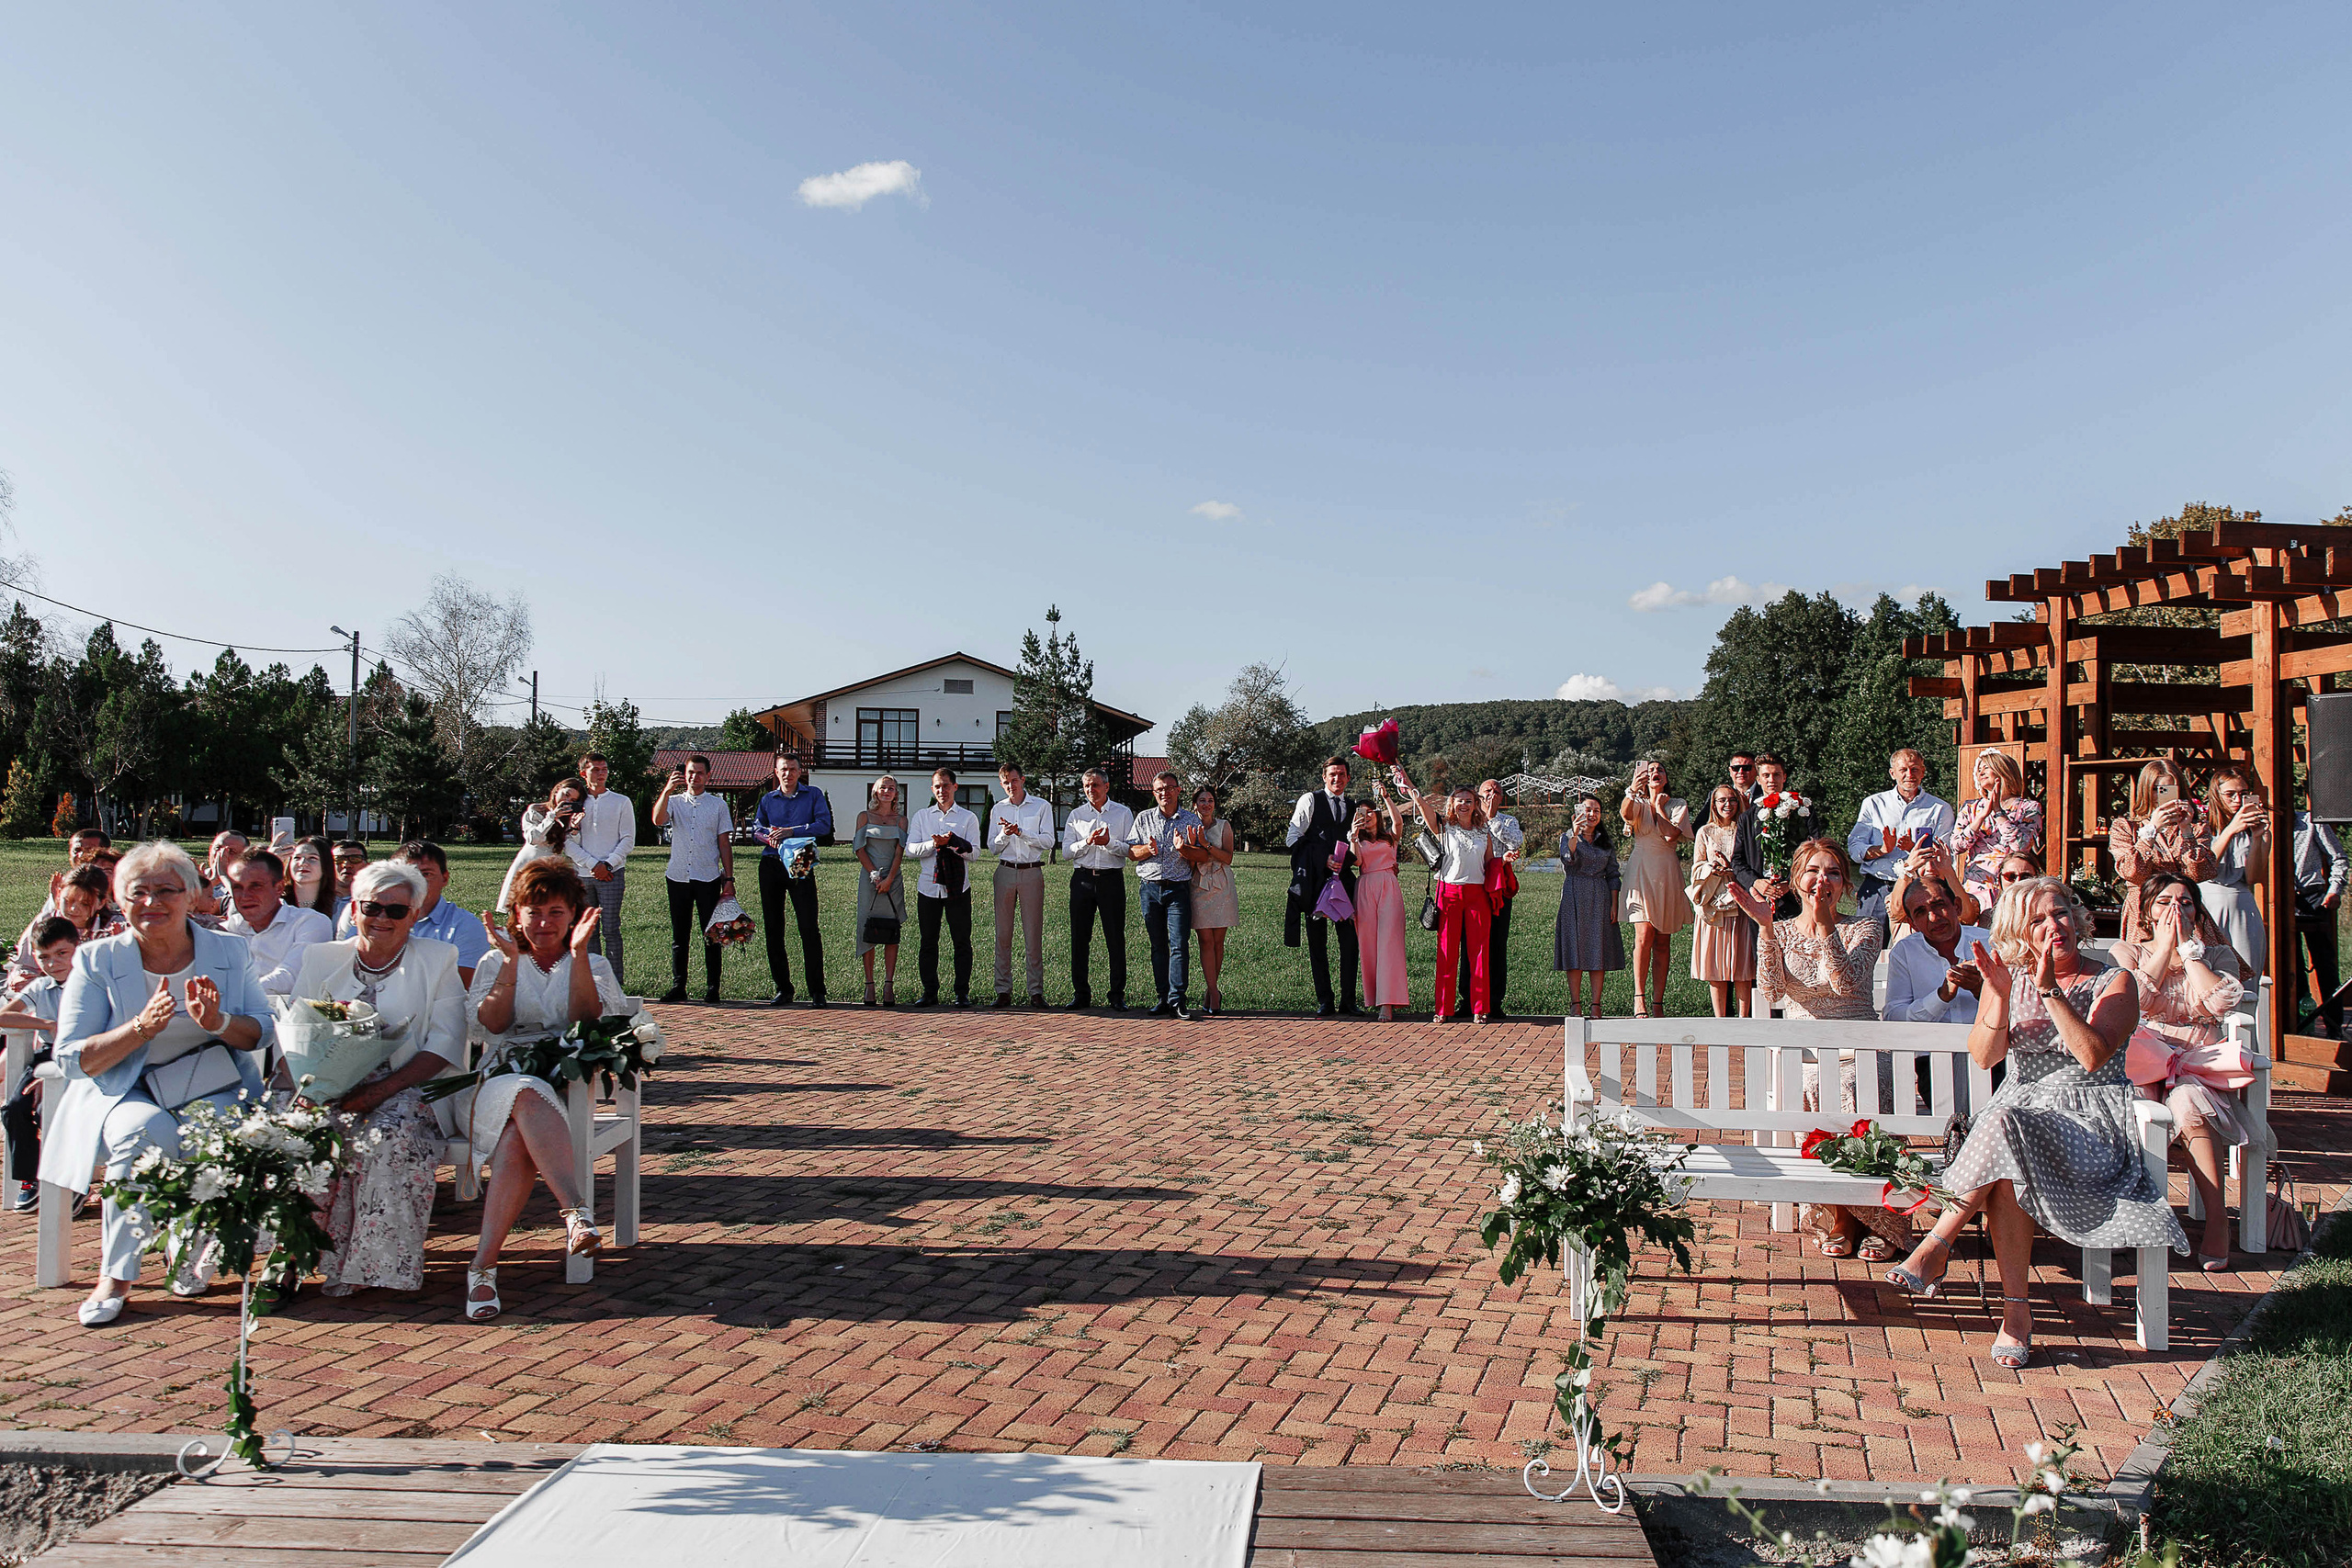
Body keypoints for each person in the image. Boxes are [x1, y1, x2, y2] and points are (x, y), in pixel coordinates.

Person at [1884, 876, 2183, 1371]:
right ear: (2020, 933)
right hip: (2017, 1125)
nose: (2052, 927)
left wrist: (2049, 992)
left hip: (2089, 1123)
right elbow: (1984, 1056)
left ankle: (1936, 1246)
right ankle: (2016, 1316)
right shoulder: (2011, 979)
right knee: (2004, 1162)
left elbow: (2092, 1055)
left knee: (2002, 1122)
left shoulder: (2114, 981)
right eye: (2037, 921)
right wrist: (2000, 996)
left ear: (2077, 917)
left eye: (2059, 913)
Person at [43, 842, 273, 1326]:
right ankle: (117, 1277)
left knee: (214, 1131)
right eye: (138, 892)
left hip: (211, 1082)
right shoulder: (96, 959)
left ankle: (187, 1247)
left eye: (166, 890)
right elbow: (71, 1057)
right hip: (126, 1088)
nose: (152, 902)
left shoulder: (229, 950)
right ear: (119, 901)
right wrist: (139, 1028)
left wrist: (218, 1020)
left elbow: (260, 1029)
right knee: (143, 1135)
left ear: (191, 896)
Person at [290, 862, 469, 1297]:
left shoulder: (437, 959)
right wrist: (308, 1090)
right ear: (354, 909)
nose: (383, 919)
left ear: (414, 915)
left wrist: (379, 1092)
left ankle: (371, 1268)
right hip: (328, 1086)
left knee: (389, 1135)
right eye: (372, 907)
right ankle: (294, 1258)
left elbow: (445, 1043)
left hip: (408, 1087)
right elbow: (296, 1032)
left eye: (397, 910)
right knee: (300, 1133)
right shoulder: (321, 958)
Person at [460, 858, 627, 1322]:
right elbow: (490, 1026)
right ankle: (575, 1211)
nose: (544, 922)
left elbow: (587, 1021)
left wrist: (576, 957)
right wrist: (512, 963)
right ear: (516, 915)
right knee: (526, 1092)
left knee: (518, 1142)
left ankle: (483, 1268)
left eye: (556, 911)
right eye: (533, 911)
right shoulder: (497, 960)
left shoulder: (591, 962)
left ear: (574, 914)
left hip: (567, 1089)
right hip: (496, 1082)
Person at [1729, 838, 1900, 1261]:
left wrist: (1826, 927)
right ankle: (1844, 1216)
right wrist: (1766, 929)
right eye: (1813, 870)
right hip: (1806, 1050)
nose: (1822, 879)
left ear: (1844, 884)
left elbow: (1846, 984)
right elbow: (1770, 990)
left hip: (1859, 1045)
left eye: (1833, 872)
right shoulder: (1781, 929)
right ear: (1796, 880)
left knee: (1862, 1084)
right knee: (1818, 1084)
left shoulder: (1864, 927)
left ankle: (1875, 1216)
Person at [2112, 873, 2249, 1269]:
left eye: (2185, 902)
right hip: (2143, 1060)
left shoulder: (2217, 955)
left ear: (2198, 910)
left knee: (2188, 1103)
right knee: (2129, 1106)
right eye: (2165, 902)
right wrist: (2164, 948)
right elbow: (2133, 1001)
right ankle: (2130, 1216)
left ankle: (2217, 1220)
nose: (2176, 909)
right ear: (2147, 913)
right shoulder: (2128, 952)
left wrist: (2189, 954)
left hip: (2198, 1065)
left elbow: (2220, 1003)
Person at [1399, 770, 1496, 1023]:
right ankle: (1443, 1008)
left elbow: (1490, 864)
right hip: (1449, 893)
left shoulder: (1483, 832)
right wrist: (1407, 781)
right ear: (1451, 803)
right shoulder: (1443, 826)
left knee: (1479, 953)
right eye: (1459, 799)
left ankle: (1479, 1008)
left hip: (1477, 894)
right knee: (1446, 951)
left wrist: (1505, 863)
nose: (1463, 804)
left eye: (1469, 800)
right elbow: (1420, 802)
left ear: (1476, 805)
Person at [1, 917, 82, 1212]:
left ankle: (71, 1183)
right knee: (14, 1107)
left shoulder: (90, 982)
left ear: (78, 948)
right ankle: (29, 1179)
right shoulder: (40, 987)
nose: (53, 963)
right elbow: (4, 1015)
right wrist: (45, 1023)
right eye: (44, 957)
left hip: (81, 1058)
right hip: (47, 1056)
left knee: (52, 1111)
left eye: (62, 953)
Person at [650, 755, 736, 1005]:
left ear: (708, 776)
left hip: (707, 876)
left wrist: (728, 877)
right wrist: (667, 790)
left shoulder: (718, 805)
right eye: (690, 772)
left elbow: (724, 843)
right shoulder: (675, 802)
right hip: (677, 876)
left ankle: (713, 988)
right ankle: (679, 986)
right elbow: (657, 819)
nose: (693, 777)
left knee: (711, 934)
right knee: (680, 935)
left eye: (699, 773)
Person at [750, 753, 832, 1009]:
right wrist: (768, 836)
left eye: (793, 769)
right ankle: (783, 988)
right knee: (774, 928)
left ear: (800, 771)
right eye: (783, 769)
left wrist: (792, 831)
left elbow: (823, 826)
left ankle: (818, 991)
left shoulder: (813, 795)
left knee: (808, 926)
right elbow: (756, 830)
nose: (788, 774)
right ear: (776, 772)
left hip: (801, 859)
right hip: (772, 862)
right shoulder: (767, 799)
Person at [1849, 749, 1956, 941]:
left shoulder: (1940, 808)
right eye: (1903, 770)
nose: (1909, 775)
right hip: (1878, 887)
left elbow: (1945, 853)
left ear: (1923, 772)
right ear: (1893, 773)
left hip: (1919, 888)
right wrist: (1881, 850)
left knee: (1919, 949)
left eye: (1915, 769)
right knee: (1866, 947)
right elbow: (1855, 847)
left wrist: (1914, 848)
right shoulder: (1874, 803)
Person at [1285, 757, 1361, 1018]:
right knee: (1318, 943)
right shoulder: (1310, 800)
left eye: (1341, 774)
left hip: (1346, 881)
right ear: (1324, 777)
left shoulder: (1353, 806)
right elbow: (1292, 838)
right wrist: (1322, 858)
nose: (1337, 779)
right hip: (1316, 882)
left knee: (1350, 943)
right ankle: (1325, 1001)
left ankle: (1349, 1001)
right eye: (1332, 774)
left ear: (1348, 777)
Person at [1127, 771, 1204, 1020]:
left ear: (1178, 790)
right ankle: (1162, 998)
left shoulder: (1192, 820)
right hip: (1149, 888)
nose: (1165, 793)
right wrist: (1147, 850)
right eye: (1160, 789)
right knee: (1158, 946)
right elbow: (1131, 852)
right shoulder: (1143, 818)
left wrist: (1185, 850)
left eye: (1170, 788)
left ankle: (1178, 999)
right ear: (1154, 793)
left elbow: (1202, 856)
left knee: (1179, 945)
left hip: (1178, 889)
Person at [2108, 758, 2212, 938]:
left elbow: (2200, 874)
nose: (2163, 796)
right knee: (2147, 963)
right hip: (2143, 911)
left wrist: (2186, 830)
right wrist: (2151, 830)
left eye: (2170, 789)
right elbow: (2133, 873)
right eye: (2157, 789)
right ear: (2146, 790)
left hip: (2184, 908)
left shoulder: (2197, 828)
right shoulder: (2126, 827)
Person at [1619, 761, 1690, 1020]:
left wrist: (1659, 807)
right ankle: (1639, 997)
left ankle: (1658, 1001)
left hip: (1666, 872)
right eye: (1649, 771)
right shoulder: (1636, 803)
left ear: (1667, 776)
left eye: (1660, 770)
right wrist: (1631, 790)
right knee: (1643, 934)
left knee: (1662, 939)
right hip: (1641, 871)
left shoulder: (1677, 805)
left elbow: (1671, 836)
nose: (1655, 773)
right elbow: (1626, 814)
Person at [907, 768, 980, 1008]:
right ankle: (929, 991)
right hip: (928, 886)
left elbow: (975, 853)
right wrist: (933, 844)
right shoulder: (922, 816)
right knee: (928, 942)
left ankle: (962, 993)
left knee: (961, 941)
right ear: (932, 789)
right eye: (937, 786)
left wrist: (953, 844)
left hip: (958, 888)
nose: (942, 790)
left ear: (955, 787)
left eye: (946, 785)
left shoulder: (968, 818)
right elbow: (911, 849)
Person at [1062, 769, 1135, 1010]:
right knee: (1080, 938)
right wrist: (1088, 842)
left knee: (1115, 938)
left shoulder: (1122, 813)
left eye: (1094, 785)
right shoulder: (1076, 815)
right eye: (1086, 786)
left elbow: (1130, 849)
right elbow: (1066, 852)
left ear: (1106, 787)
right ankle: (1081, 994)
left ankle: (1117, 994)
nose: (1090, 790)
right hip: (1082, 879)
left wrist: (1109, 843)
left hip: (1111, 880)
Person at [1883, 873, 1990, 1030]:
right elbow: (1894, 1016)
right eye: (1921, 912)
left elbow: (2017, 1006)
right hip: (1927, 1051)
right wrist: (1941, 997)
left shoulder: (1990, 943)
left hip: (1986, 1051)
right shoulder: (1905, 952)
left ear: (1957, 906)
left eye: (1939, 905)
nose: (1933, 917)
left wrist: (1981, 989)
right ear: (1913, 925)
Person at [223, 848, 334, 998]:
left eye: (256, 886)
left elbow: (290, 977)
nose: (245, 896)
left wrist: (234, 994)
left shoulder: (311, 923)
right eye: (237, 887)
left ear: (279, 888)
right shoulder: (229, 929)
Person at [1555, 796, 1627, 1019]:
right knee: (1574, 949)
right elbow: (1568, 859)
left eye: (1597, 810)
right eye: (1588, 810)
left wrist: (1615, 904)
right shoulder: (1567, 836)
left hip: (1600, 895)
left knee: (1599, 949)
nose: (1592, 814)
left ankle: (1596, 1004)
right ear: (1578, 812)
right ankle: (1575, 1002)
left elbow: (1614, 873)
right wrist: (1575, 834)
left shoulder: (1605, 841)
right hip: (1574, 894)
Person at [988, 763, 1053, 1009]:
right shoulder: (998, 808)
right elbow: (992, 847)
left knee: (1032, 934)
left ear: (1022, 780)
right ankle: (1002, 990)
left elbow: (1048, 841)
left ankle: (1036, 991)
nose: (1010, 786)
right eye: (1005, 783)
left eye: (1014, 781)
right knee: (1003, 934)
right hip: (1005, 871)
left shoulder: (1041, 806)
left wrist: (1022, 832)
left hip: (1031, 871)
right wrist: (1005, 834)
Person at [1459, 779, 1525, 1021]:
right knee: (1470, 944)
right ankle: (1467, 999)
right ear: (1478, 795)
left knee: (1497, 943)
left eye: (1497, 792)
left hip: (1498, 887)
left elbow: (1516, 843)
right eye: (1488, 791)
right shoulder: (1468, 818)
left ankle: (1495, 1001)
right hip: (1473, 886)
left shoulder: (1508, 821)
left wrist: (1492, 817)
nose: (1492, 795)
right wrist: (1483, 816)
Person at [1689, 784, 1755, 1018]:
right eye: (1721, 800)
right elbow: (1696, 866)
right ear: (1714, 804)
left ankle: (1744, 1018)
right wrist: (1711, 867)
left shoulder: (1746, 829)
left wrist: (1733, 867)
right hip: (1714, 901)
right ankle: (1720, 1020)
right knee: (1715, 965)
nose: (1727, 804)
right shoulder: (1705, 832)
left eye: (1732, 800)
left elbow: (1752, 863)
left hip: (1740, 899)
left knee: (1742, 964)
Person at [2199, 763, 2269, 976]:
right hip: (2207, 902)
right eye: (2230, 795)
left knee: (2246, 972)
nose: (2237, 801)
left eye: (2243, 794)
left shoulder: (2254, 831)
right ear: (2216, 795)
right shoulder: (2202, 827)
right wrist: (2230, 830)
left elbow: (2254, 877)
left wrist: (2258, 838)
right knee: (2210, 973)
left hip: (2242, 903)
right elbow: (2204, 866)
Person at [1949, 750, 2042, 910]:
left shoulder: (2029, 808)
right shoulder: (1971, 807)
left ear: (2003, 770)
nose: (1981, 772)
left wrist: (1998, 812)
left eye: (1986, 767)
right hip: (1977, 886)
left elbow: (2021, 846)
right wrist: (1980, 818)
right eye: (1979, 770)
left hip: (2012, 883)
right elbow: (1956, 846)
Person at [573, 753, 636, 982]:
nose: (601, 774)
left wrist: (608, 865)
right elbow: (568, 841)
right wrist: (592, 865)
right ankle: (593, 982)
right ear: (583, 773)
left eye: (604, 769)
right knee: (587, 931)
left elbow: (628, 839)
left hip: (612, 874)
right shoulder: (575, 802)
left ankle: (615, 983)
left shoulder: (621, 801)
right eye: (595, 769)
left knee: (611, 929)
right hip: (582, 874)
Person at [1348, 787, 1409, 1021]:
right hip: (1365, 886)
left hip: (1388, 886)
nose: (1367, 816)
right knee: (1369, 945)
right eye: (1361, 813)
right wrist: (1353, 835)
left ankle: (1388, 1003)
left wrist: (1386, 797)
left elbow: (1399, 822)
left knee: (1389, 944)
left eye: (1370, 811)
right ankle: (1374, 997)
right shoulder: (1356, 838)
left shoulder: (1390, 837)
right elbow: (1358, 862)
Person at [1730, 754, 1813, 924]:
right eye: (1766, 775)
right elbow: (1737, 861)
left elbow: (1814, 853)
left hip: (1796, 897)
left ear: (1784, 777)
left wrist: (1790, 883)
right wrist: (1756, 883)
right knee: (1762, 949)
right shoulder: (1747, 818)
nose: (1771, 780)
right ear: (1758, 780)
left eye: (1776, 775)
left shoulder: (1802, 813)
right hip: (1760, 898)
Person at [9, 865, 119, 987]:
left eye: (85, 904)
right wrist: (21, 978)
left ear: (101, 903)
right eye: (68, 900)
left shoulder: (114, 927)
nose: (73, 909)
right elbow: (25, 964)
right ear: (59, 894)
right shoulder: (46, 921)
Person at [2291, 804, 2348, 1037]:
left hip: (2313, 897)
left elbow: (2339, 858)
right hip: (2278, 899)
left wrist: (2334, 890)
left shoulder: (2310, 822)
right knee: (2290, 965)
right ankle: (2299, 1021)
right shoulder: (2257, 824)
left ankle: (2334, 1023)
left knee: (2325, 964)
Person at [853, 775, 907, 1007]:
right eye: (883, 787)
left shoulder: (901, 820)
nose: (887, 791)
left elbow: (899, 852)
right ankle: (869, 985)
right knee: (869, 928)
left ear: (896, 794)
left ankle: (889, 985)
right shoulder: (864, 816)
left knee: (890, 931)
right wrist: (875, 875)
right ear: (875, 792)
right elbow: (859, 848)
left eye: (891, 788)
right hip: (870, 879)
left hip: (893, 881)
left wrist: (890, 878)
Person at [499, 778, 589, 913]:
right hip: (530, 860)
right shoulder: (536, 810)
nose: (567, 801)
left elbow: (571, 845)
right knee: (523, 904)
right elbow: (533, 838)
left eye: (573, 800)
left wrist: (574, 828)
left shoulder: (568, 816)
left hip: (552, 864)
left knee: (547, 904)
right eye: (566, 794)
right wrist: (551, 817)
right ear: (557, 789)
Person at [1188, 785, 1240, 1016]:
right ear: (1195, 804)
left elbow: (1228, 858)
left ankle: (1211, 992)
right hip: (1199, 884)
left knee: (1219, 942)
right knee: (1205, 940)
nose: (1206, 804)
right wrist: (1194, 845)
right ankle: (1214, 992)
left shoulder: (1224, 826)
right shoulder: (1189, 826)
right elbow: (1188, 860)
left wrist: (1207, 845)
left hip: (1221, 885)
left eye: (1210, 800)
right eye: (1202, 800)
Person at [288, 836, 341, 919]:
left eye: (312, 858)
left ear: (326, 865)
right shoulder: (276, 903)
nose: (303, 863)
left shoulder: (339, 908)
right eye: (297, 858)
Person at [332, 840, 370, 917]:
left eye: (355, 859)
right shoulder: (316, 899)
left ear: (367, 865)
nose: (346, 865)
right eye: (339, 859)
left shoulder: (374, 901)